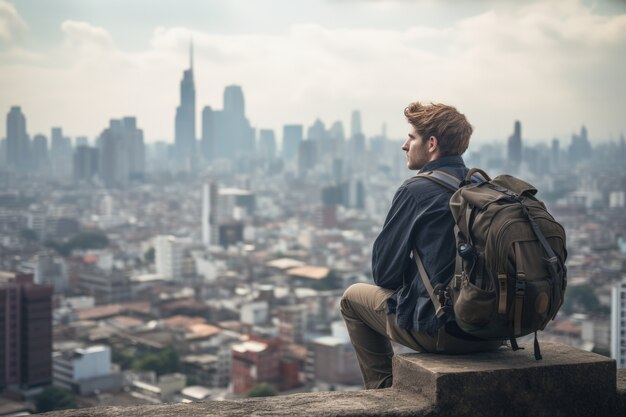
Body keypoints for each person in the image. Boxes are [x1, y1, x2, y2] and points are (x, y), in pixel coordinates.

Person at [340, 101, 502, 389]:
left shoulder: (416, 190)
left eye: (411, 137)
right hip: (493, 331)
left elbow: (384, 275)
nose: (404, 145)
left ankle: (384, 394)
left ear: (431, 143)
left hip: (446, 332)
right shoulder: (484, 186)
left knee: (352, 298)